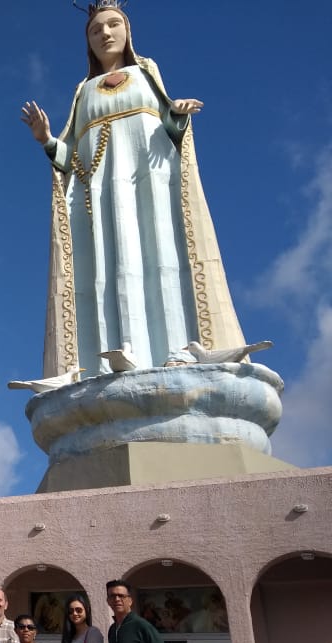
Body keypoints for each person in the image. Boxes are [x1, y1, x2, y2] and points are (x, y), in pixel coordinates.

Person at [21, 1, 245, 378]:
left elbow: (171, 130)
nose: (105, 34)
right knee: (107, 269)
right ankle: (113, 352)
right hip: (103, 197)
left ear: (127, 32)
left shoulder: (144, 72)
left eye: (112, 25)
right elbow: (70, 157)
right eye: (95, 30)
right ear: (88, 42)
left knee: (163, 258)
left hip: (150, 186)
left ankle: (180, 350)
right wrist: (46, 140)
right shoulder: (85, 90)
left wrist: (178, 113)